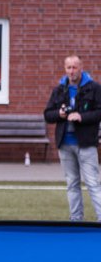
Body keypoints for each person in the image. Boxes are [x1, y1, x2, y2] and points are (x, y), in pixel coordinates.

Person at [44, 55, 101, 222]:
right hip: (65, 144)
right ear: (65, 69)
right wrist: (59, 114)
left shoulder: (94, 88)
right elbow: (47, 115)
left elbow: (99, 112)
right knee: (72, 184)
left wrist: (81, 117)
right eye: (68, 67)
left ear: (81, 68)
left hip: (86, 144)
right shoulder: (59, 89)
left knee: (92, 183)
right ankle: (76, 219)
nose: (71, 71)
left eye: (75, 67)